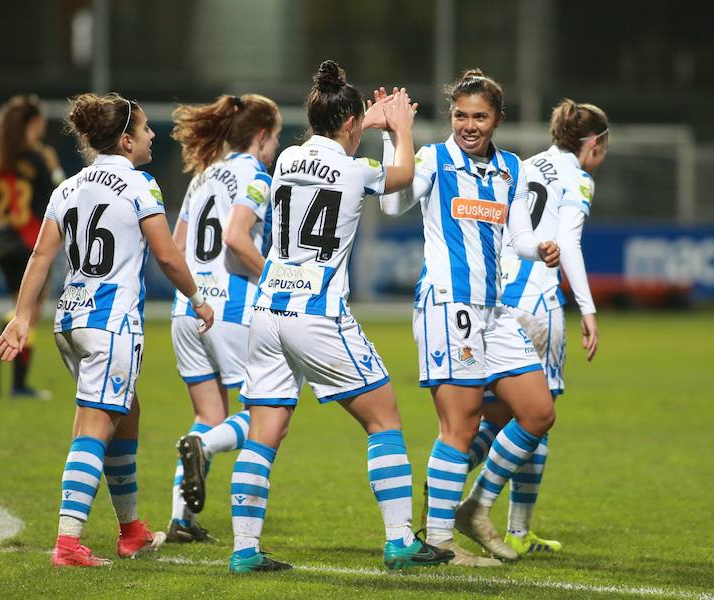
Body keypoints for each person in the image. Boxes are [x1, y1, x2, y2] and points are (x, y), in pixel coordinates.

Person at [227, 60, 453, 573]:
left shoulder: (285, 159)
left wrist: (361, 120)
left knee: (264, 430)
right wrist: (399, 127)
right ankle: (400, 541)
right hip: (318, 312)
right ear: (349, 123)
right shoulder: (357, 171)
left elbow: (329, 146)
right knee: (384, 419)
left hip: (266, 311)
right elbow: (404, 177)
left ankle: (244, 550)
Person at [0, 93, 214, 567]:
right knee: (93, 428)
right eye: (147, 129)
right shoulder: (140, 185)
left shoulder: (68, 188)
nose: (154, 136)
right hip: (110, 325)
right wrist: (197, 298)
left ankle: (131, 530)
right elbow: (168, 255)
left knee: (126, 413)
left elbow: (41, 257)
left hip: (70, 322)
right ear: (126, 139)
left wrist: (21, 316)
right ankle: (68, 543)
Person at [377, 70, 560, 566]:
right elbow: (393, 205)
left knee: (539, 411)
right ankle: (438, 543)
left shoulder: (511, 169)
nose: (469, 125)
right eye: (460, 115)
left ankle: (475, 505)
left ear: (498, 118)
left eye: (480, 116)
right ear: (451, 116)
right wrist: (399, 137)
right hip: (448, 304)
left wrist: (538, 247)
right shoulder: (434, 159)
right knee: (461, 425)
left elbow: (517, 236)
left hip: (495, 311)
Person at [458, 99, 609, 558]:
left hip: (497, 300)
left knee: (494, 416)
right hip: (537, 304)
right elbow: (569, 244)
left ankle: (439, 497)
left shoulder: (522, 165)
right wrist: (587, 309)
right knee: (536, 420)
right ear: (595, 144)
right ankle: (495, 517)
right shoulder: (578, 178)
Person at [165, 93, 281, 542]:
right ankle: (204, 447)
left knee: (209, 414)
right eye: (273, 138)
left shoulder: (203, 177)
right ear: (261, 136)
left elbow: (176, 247)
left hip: (188, 308)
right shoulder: (254, 174)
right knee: (265, 412)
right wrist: (274, 279)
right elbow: (235, 238)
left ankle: (181, 520)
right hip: (231, 310)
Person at [0, 95, 65, 399]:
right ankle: (7, 371)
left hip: (3, 241)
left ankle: (9, 375)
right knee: (29, 310)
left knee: (22, 307)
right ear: (31, 123)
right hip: (30, 241)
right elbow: (58, 195)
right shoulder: (41, 159)